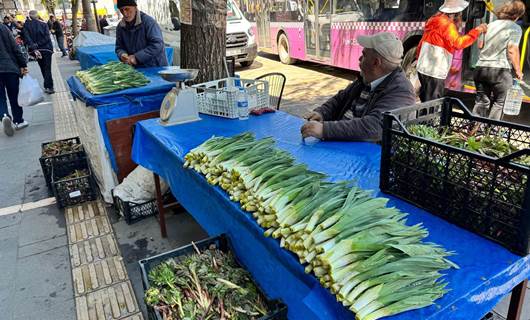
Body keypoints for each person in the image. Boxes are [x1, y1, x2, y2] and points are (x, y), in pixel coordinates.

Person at [301, 32, 416, 142]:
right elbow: (340, 98)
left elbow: (374, 126)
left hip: (362, 152)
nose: (359, 59)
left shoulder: (401, 91)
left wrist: (325, 130)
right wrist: (322, 113)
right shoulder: (366, 78)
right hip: (341, 141)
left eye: (364, 55)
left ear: (376, 63)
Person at [416, 0, 488, 102]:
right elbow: (459, 43)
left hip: (423, 67)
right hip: (434, 71)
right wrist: (477, 30)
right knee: (432, 105)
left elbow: (421, 45)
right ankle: (429, 119)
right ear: (457, 13)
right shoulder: (447, 24)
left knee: (425, 101)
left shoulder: (434, 20)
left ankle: (423, 118)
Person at [473, 1, 526, 120]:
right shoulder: (515, 28)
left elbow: (480, 45)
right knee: (500, 103)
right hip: (500, 71)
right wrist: (518, 70)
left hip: (481, 68)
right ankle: (490, 134)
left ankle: (473, 131)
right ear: (517, 15)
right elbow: (512, 49)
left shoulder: (489, 25)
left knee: (481, 102)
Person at [115, 0, 168, 68]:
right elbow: (119, 47)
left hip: (155, 67)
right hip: (137, 69)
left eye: (127, 9)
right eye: (121, 10)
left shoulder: (149, 22)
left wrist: (136, 57)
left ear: (135, 7)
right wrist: (122, 54)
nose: (125, 13)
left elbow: (157, 45)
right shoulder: (120, 27)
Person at [0, 23, 29, 136]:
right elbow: (15, 47)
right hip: (9, 67)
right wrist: (23, 64)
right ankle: (18, 121)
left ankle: (4, 115)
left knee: (0, 97)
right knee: (14, 96)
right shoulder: (3, 28)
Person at [23, 10, 55, 94]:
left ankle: (48, 85)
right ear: (37, 16)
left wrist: (34, 47)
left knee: (42, 67)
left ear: (30, 17)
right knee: (47, 68)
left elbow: (27, 38)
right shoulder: (44, 24)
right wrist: (38, 44)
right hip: (46, 49)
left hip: (36, 51)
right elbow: (47, 38)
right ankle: (49, 86)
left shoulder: (26, 26)